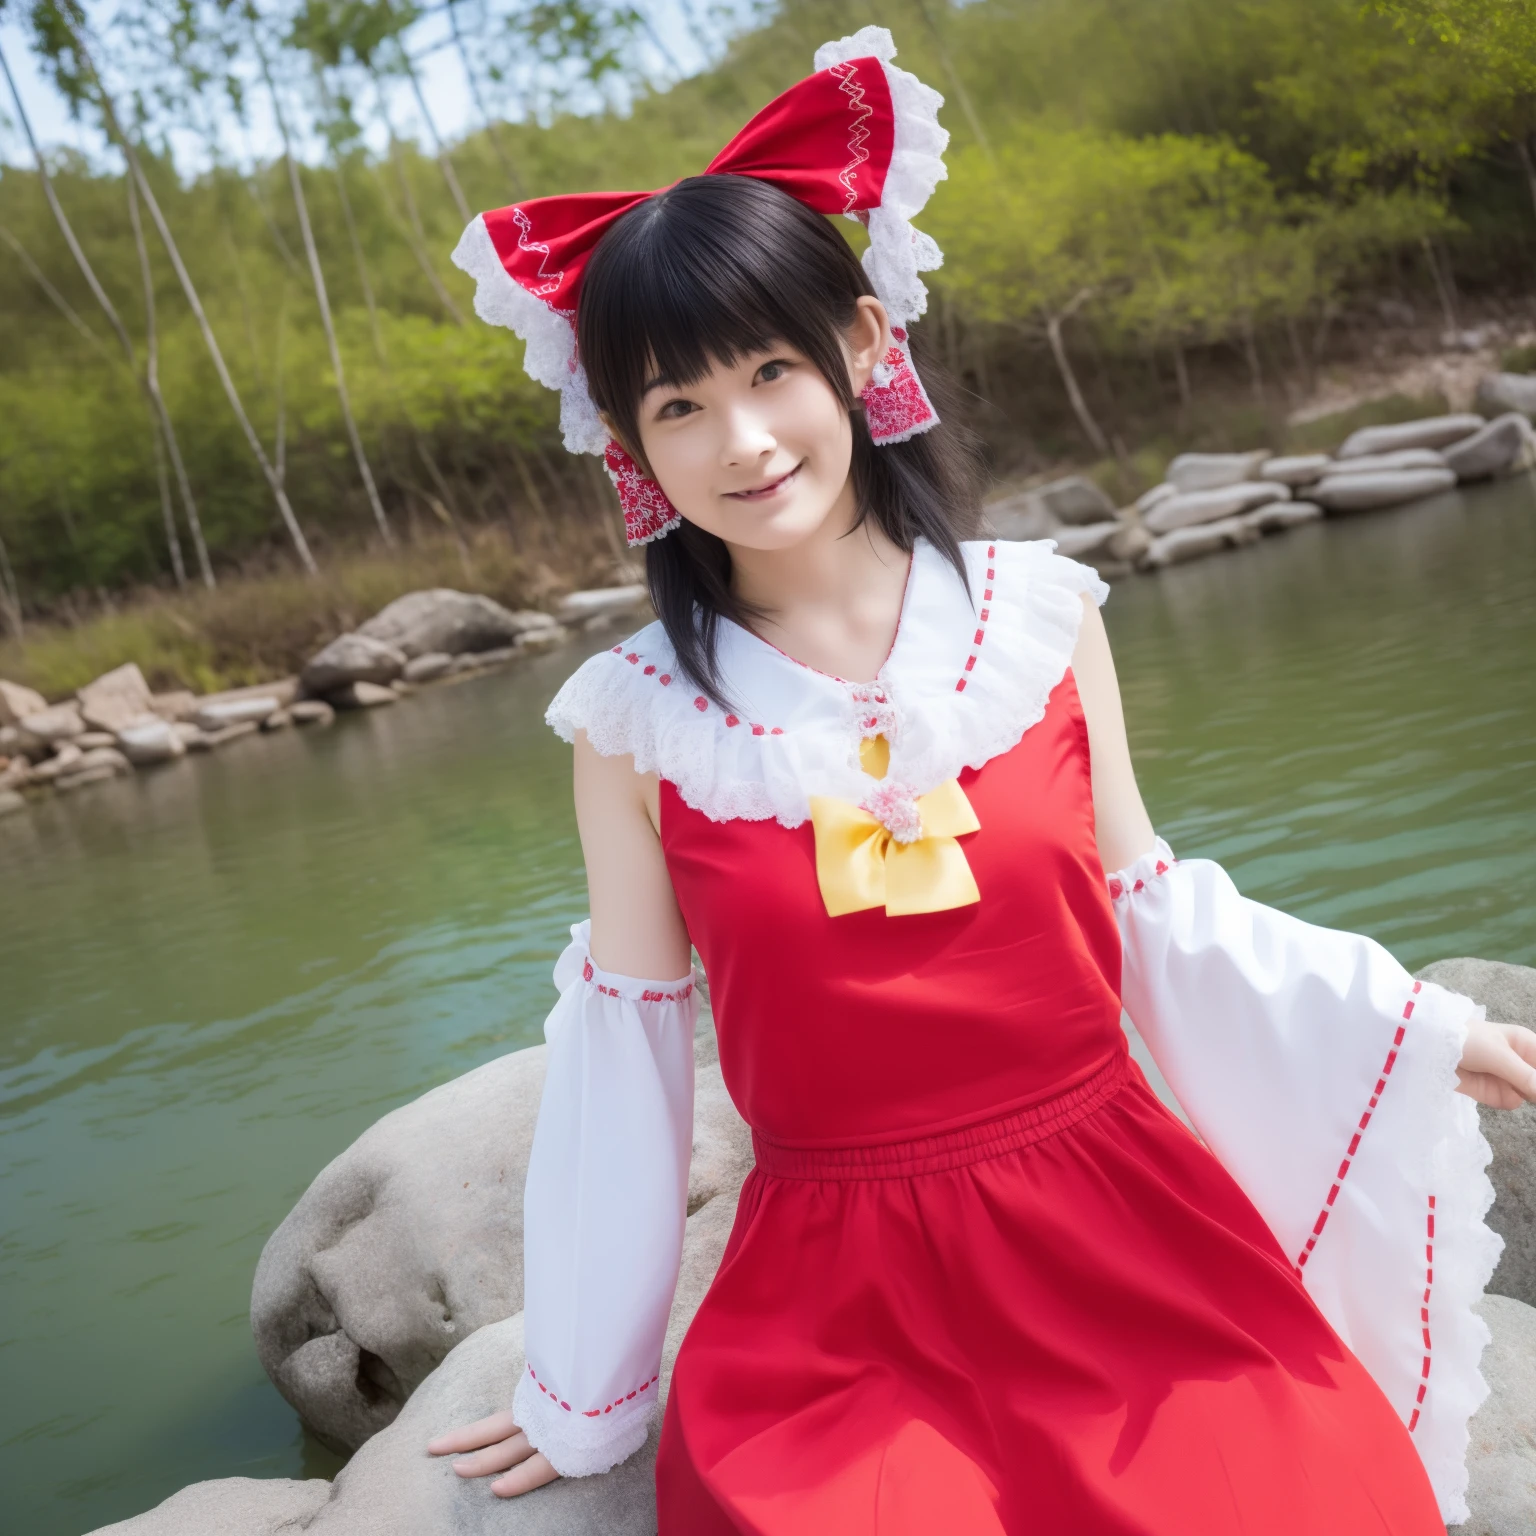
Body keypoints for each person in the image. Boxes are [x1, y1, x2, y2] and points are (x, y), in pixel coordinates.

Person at [425, 28, 1536, 1532]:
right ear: (628, 443)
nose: (741, 440)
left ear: (866, 349)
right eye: (678, 405)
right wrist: (579, 1393)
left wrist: (1406, 1024)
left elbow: (1150, 911)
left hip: (1121, 1233)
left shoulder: (1039, 620)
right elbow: (627, 1072)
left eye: (770, 370)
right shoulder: (635, 726)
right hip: (835, 1312)